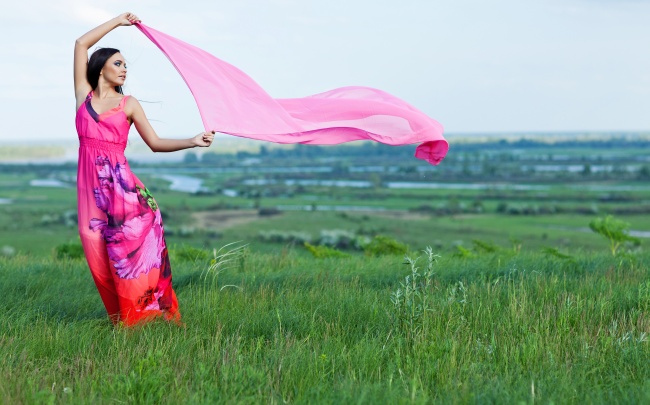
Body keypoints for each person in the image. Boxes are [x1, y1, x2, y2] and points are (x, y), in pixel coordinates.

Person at [74, 12, 215, 326]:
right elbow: (81, 43)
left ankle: (138, 324)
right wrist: (117, 21)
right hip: (90, 198)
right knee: (96, 254)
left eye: (126, 65)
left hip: (124, 196)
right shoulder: (82, 98)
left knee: (127, 260)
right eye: (118, 63)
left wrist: (192, 141)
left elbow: (155, 142)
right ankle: (122, 319)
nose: (124, 69)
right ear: (101, 67)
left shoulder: (130, 104)